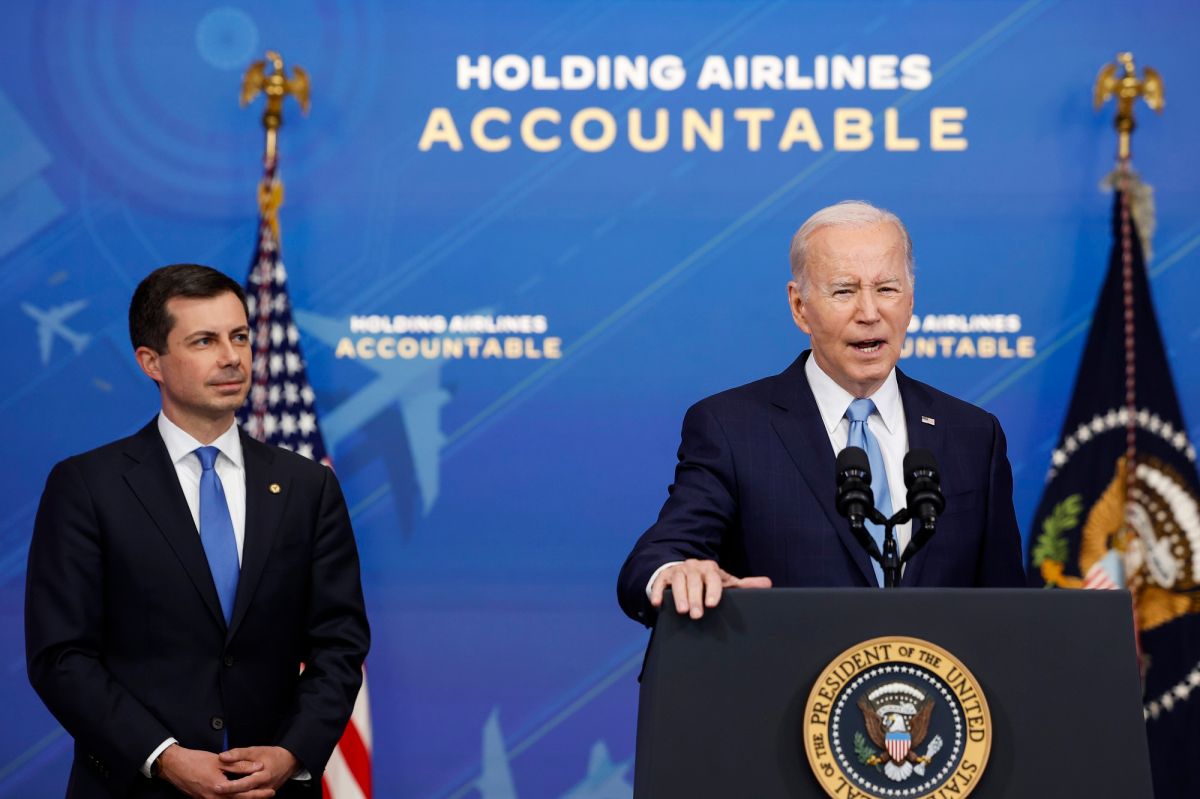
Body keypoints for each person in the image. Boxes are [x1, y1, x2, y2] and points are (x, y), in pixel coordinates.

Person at [25, 264, 370, 798]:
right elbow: (61, 656)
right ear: (151, 362)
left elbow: (339, 645)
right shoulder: (88, 487)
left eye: (239, 337)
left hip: (272, 789)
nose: (231, 357)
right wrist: (162, 757)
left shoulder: (307, 487)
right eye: (204, 341)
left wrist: (291, 752)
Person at [617, 201, 1025, 625]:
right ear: (799, 307)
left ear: (910, 300)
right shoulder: (732, 429)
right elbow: (658, 556)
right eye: (844, 291)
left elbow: (1008, 610)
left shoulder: (972, 435)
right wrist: (676, 573)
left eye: (887, 289)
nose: (869, 313)